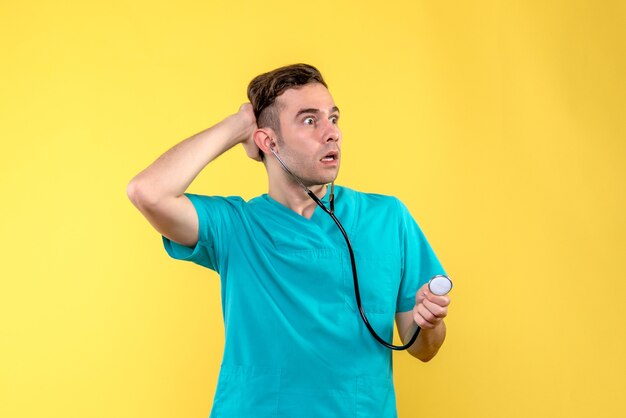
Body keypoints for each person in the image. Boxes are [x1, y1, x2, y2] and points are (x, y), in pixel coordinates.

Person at [127, 63, 451, 417]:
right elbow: (147, 192)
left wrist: (428, 323)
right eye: (310, 120)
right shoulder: (236, 227)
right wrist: (237, 127)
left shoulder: (388, 218)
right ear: (268, 141)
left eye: (333, 118)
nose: (332, 134)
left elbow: (422, 348)